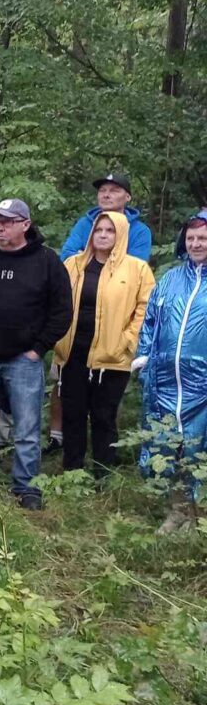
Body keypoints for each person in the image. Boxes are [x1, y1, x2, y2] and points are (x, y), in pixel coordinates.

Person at [0, 199, 72, 510]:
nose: (0, 228)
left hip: (24, 359)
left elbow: (62, 311)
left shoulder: (47, 262)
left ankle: (27, 487)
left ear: (25, 224)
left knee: (27, 428)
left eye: (7, 222)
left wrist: (38, 348)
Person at [48, 172, 154, 453]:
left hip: (113, 346)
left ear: (127, 197)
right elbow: (66, 259)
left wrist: (128, 340)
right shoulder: (80, 243)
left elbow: (142, 299)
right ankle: (69, 463)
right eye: (99, 231)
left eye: (113, 190)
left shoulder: (139, 240)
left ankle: (104, 467)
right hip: (73, 346)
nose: (106, 194)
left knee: (104, 413)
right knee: (72, 408)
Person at [134, 212, 207, 533]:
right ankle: (177, 511)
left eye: (202, 238)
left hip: (202, 386)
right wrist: (143, 355)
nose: (196, 244)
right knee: (167, 445)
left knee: (197, 445)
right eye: (191, 238)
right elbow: (150, 319)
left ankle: (197, 515)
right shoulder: (170, 279)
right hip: (165, 381)